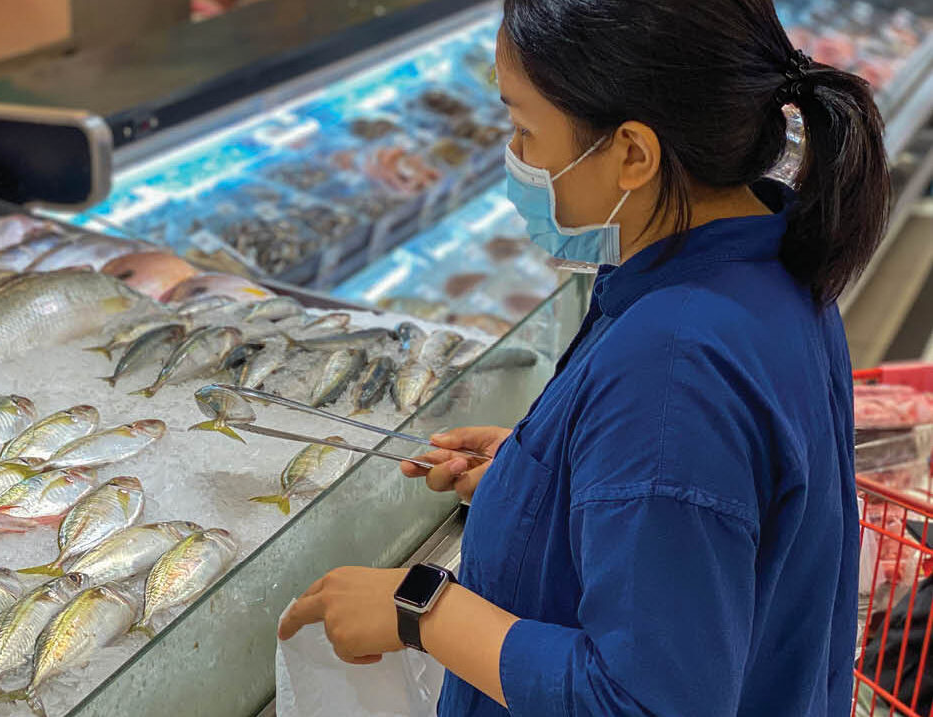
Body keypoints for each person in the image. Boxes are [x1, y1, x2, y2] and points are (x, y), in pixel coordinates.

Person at [277, 0, 891, 714]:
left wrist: (419, 608)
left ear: (632, 152)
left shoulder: (675, 366)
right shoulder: (766, 255)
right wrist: (551, 477)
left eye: (522, 128)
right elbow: (713, 512)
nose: (515, 160)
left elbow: (645, 701)